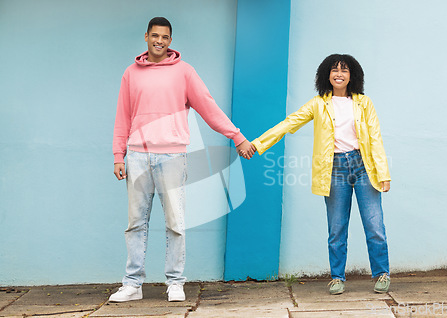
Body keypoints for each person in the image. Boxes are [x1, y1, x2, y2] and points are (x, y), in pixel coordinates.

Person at [110, 17, 255, 303]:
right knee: (135, 223)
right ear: (146, 37)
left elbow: (208, 107)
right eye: (155, 36)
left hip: (173, 155)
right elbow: (122, 117)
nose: (159, 41)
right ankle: (132, 284)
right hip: (138, 155)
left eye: (164, 37)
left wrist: (236, 136)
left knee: (175, 222)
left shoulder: (185, 72)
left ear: (170, 41)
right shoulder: (131, 74)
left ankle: (175, 282)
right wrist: (119, 155)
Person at [251, 54, 391, 295]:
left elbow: (375, 138)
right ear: (326, 74)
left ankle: (381, 273)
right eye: (334, 69)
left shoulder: (364, 103)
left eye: (344, 70)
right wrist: (258, 144)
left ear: (352, 75)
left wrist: (383, 173)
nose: (339, 74)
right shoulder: (318, 103)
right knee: (337, 228)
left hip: (363, 166)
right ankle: (337, 278)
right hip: (334, 169)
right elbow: (290, 123)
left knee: (374, 224)